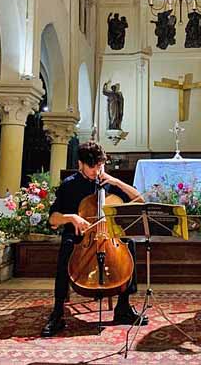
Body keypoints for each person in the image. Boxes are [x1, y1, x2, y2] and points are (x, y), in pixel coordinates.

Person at [41, 141, 147, 337]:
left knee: (129, 244)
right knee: (67, 247)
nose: (97, 170)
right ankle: (57, 311)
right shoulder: (69, 185)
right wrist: (71, 217)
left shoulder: (107, 182)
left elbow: (140, 200)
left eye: (100, 165)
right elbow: (52, 219)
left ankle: (123, 307)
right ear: (80, 163)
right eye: (92, 166)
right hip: (79, 237)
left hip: (107, 236)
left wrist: (115, 181)